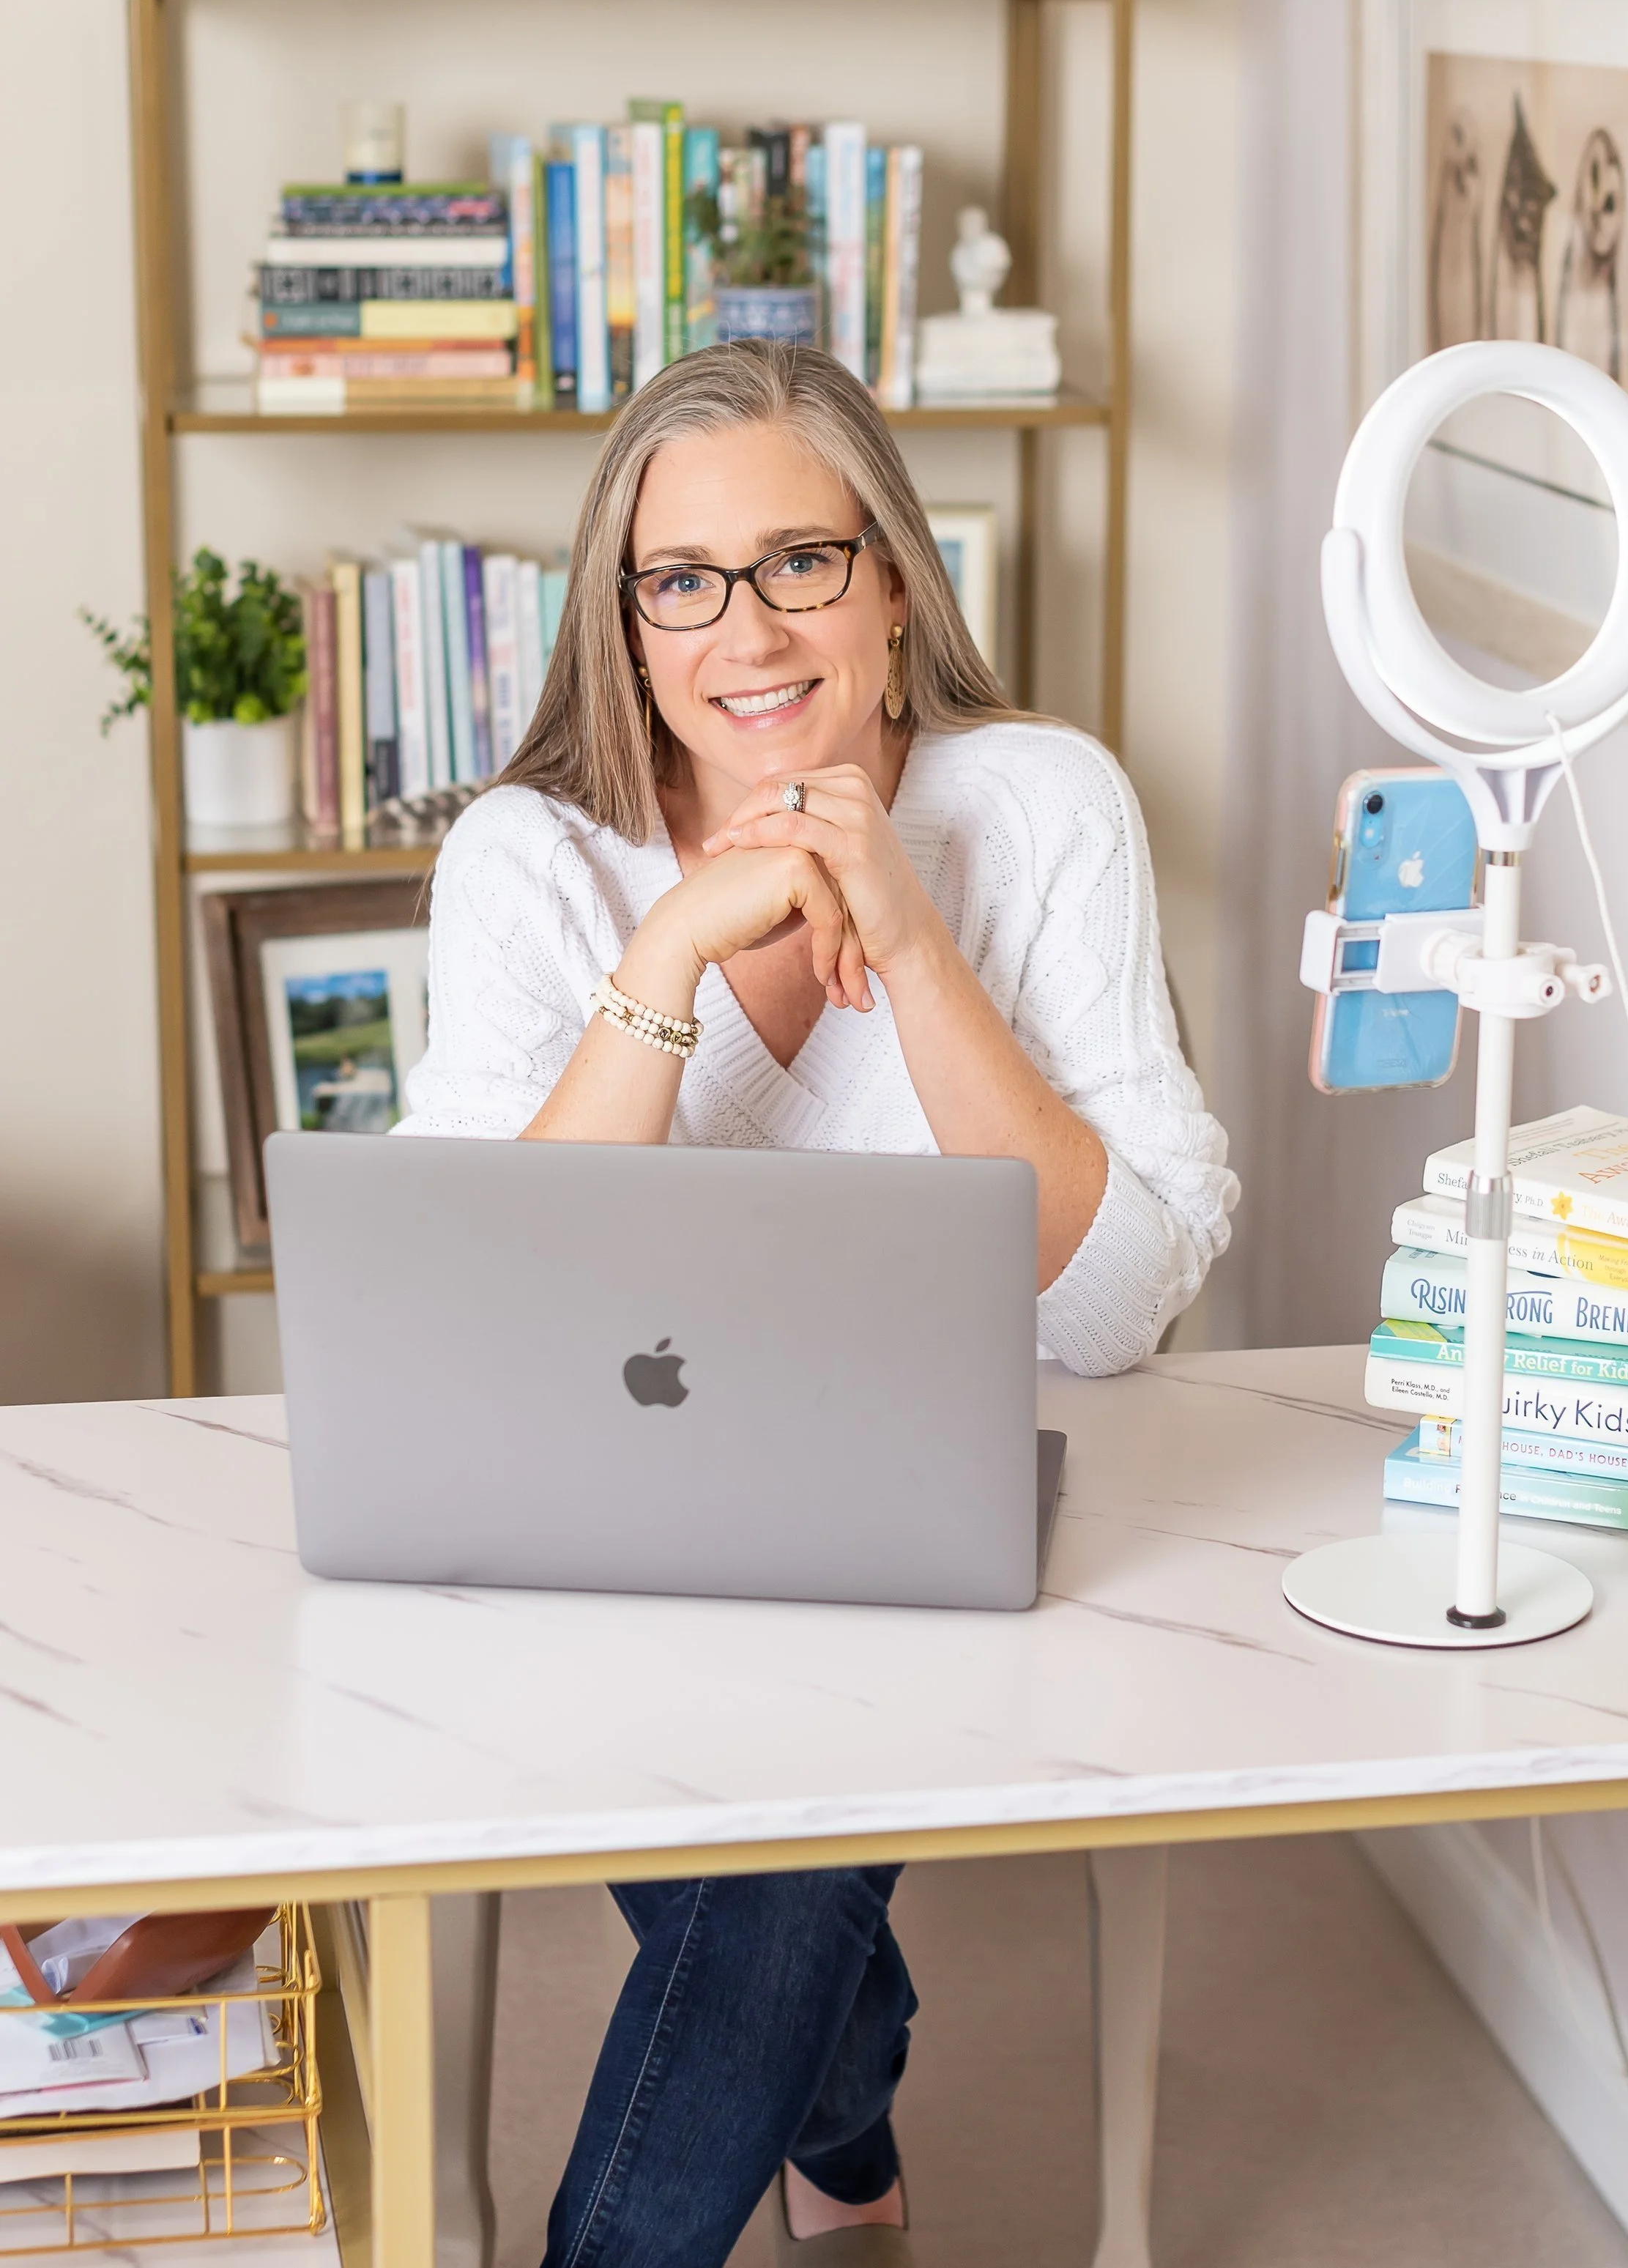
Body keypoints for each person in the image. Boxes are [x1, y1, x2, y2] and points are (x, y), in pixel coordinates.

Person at [398, 341, 1238, 2268]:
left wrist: (910, 938)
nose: (746, 629)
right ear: (627, 621)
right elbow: (489, 1310)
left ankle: (759, 2156)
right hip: (610, 1523)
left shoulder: (1041, 808)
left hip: (929, 1506)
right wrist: (670, 957)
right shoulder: (531, 858)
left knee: (771, 1868)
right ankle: (844, 2109)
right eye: (682, 580)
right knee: (784, 1895)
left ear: (893, 581)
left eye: (799, 560)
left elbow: (1113, 1308)